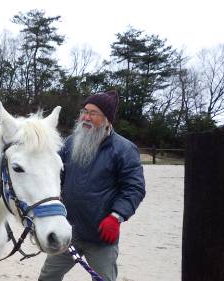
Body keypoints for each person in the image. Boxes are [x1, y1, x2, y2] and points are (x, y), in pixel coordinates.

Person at [38, 90, 146, 281]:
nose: (86, 117)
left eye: (93, 113)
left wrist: (116, 216)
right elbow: (56, 175)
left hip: (101, 236)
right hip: (68, 231)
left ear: (107, 119)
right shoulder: (71, 143)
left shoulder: (124, 149)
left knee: (105, 279)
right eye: (84, 111)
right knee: (48, 277)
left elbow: (134, 188)